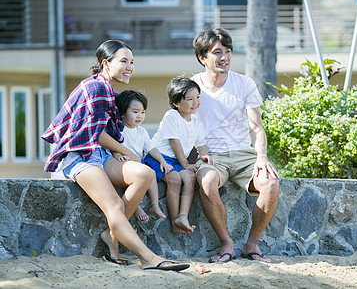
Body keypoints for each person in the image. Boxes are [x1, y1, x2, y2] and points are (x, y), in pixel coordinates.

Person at [41, 40, 189, 271]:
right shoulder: (96, 88)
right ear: (105, 64)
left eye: (132, 62)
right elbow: (97, 134)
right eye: (124, 61)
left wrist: (119, 153)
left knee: (144, 173)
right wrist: (127, 152)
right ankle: (148, 258)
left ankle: (111, 235)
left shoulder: (108, 90)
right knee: (115, 206)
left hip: (98, 154)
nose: (129, 67)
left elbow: (103, 137)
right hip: (77, 156)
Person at [191, 27, 280, 263]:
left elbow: (257, 128)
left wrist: (261, 157)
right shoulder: (191, 87)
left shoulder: (244, 83)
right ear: (202, 57)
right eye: (217, 52)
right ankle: (227, 244)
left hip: (244, 155)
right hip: (211, 156)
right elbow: (182, 126)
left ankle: (251, 245)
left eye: (228, 52)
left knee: (270, 183)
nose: (224, 58)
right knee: (207, 183)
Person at [142, 76, 214, 234]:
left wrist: (205, 156)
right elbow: (175, 143)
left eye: (198, 97)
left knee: (190, 178)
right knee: (174, 179)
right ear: (176, 103)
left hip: (176, 160)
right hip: (157, 157)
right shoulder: (171, 116)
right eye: (189, 99)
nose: (195, 102)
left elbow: (201, 145)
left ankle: (183, 216)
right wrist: (186, 165)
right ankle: (175, 221)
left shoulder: (196, 122)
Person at [114, 89, 168, 220]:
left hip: (139, 163)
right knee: (131, 180)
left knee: (151, 173)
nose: (140, 116)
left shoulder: (142, 131)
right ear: (122, 112)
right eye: (135, 112)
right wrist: (116, 154)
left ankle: (154, 204)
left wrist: (162, 161)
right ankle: (135, 207)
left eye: (143, 112)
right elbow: (112, 145)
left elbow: (151, 149)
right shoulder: (119, 129)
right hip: (125, 163)